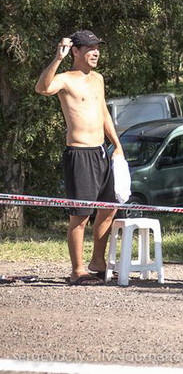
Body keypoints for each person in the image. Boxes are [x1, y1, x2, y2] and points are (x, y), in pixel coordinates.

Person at [34, 30, 124, 286]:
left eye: (97, 47)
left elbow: (104, 112)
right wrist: (57, 59)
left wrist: (117, 145)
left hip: (101, 151)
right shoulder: (65, 78)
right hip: (79, 153)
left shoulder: (98, 78)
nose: (95, 52)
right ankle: (77, 270)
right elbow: (42, 88)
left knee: (109, 209)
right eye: (90, 48)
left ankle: (98, 262)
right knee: (81, 215)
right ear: (76, 51)